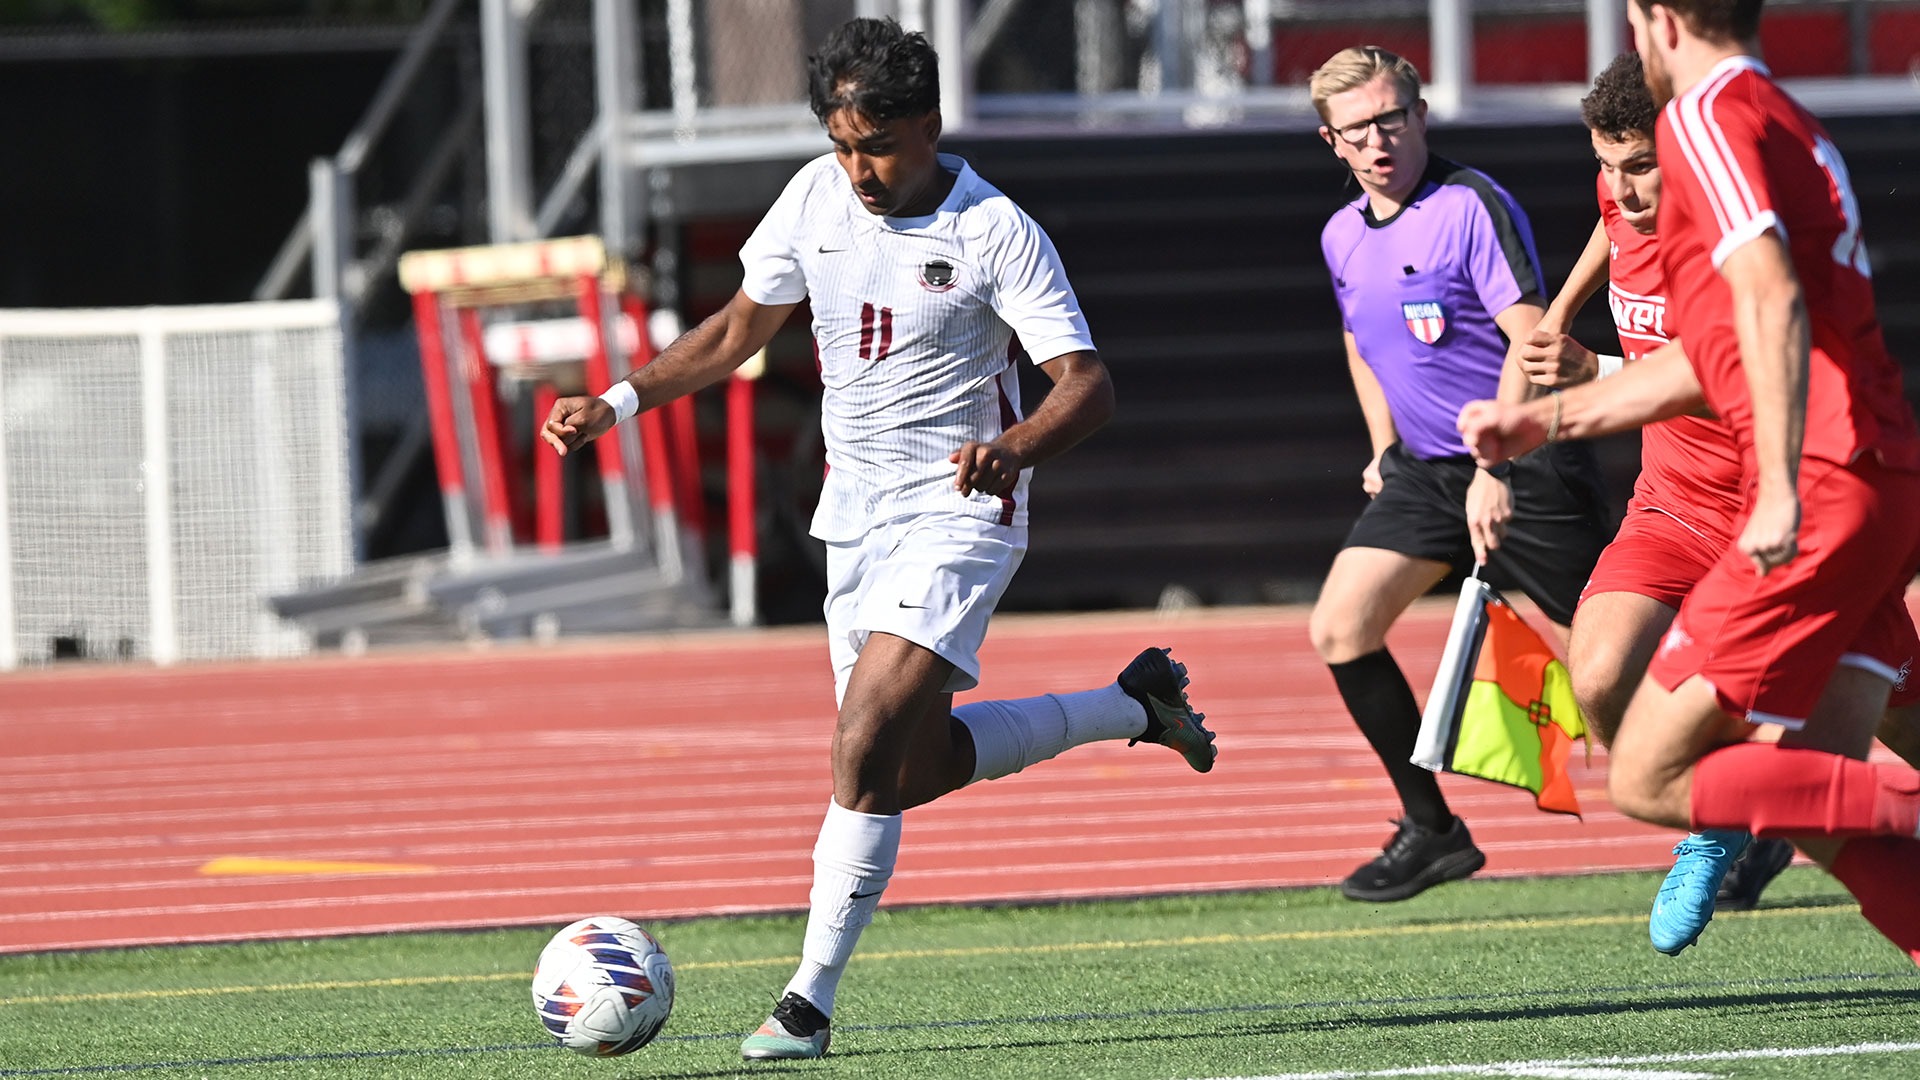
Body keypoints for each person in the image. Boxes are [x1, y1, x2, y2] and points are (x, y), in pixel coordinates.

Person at [541, 18, 1216, 1060]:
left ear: (929, 125)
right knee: (902, 771)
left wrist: (1017, 448)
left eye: (878, 146)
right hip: (852, 518)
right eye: (842, 143)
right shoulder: (814, 196)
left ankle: (805, 1004)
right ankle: (1132, 704)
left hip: (961, 511)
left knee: (858, 742)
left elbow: (1088, 385)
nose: (858, 168)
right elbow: (734, 330)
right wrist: (617, 401)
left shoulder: (996, 229)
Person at [1458, 0, 1920, 965]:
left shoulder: (1705, 120)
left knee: (1654, 773)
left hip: (1812, 488)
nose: (1626, 185)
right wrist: (1551, 416)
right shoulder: (1787, 118)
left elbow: (1770, 306)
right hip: (1873, 475)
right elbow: (1717, 350)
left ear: (1653, 20)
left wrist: (1787, 494)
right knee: (1809, 783)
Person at [1306, 45, 1613, 903]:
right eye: (1358, 130)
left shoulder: (1470, 205)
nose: (1378, 142)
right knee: (1341, 627)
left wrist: (1499, 465)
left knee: (1610, 684)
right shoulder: (1339, 235)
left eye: (1391, 119)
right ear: (1331, 142)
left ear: (1420, 114)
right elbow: (1360, 341)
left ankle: (1750, 820)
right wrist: (1382, 447)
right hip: (1428, 474)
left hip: (1530, 466)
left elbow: (1532, 339)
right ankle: (1434, 830)